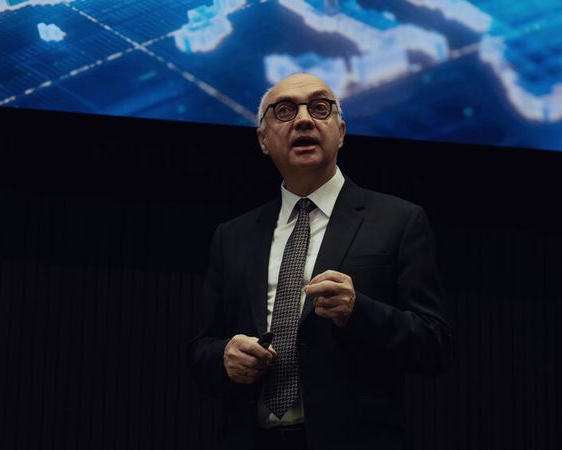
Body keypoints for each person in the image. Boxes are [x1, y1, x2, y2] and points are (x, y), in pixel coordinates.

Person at [188, 73, 453, 450]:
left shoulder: (398, 221)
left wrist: (357, 311)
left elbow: (434, 345)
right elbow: (201, 352)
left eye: (319, 108)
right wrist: (224, 358)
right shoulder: (232, 236)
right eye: (284, 111)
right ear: (263, 140)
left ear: (340, 132)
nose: (304, 120)